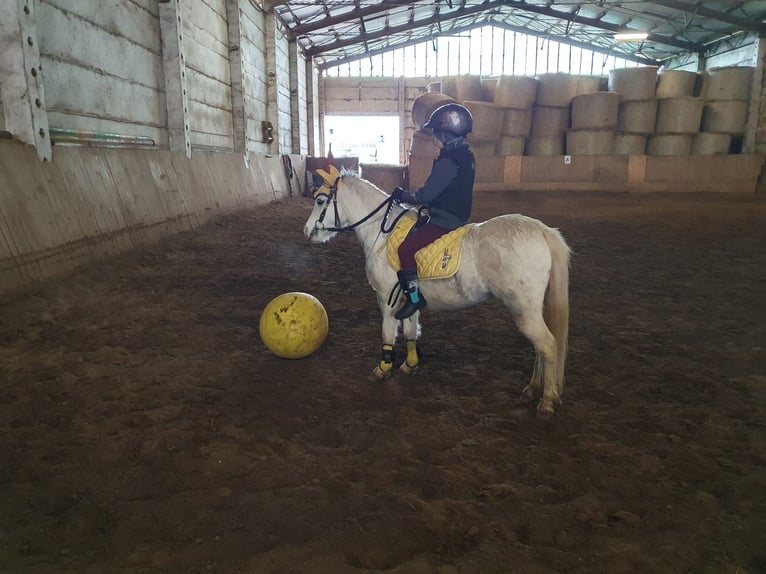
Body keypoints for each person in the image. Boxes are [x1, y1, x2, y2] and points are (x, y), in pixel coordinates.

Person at [390, 102, 476, 320]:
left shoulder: (449, 161)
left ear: (448, 135)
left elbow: (426, 195)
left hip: (445, 220)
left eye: (438, 135)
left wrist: (403, 195)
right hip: (457, 214)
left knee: (405, 250)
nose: (436, 141)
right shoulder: (466, 154)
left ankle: (415, 299)